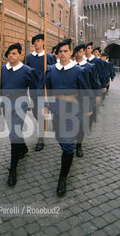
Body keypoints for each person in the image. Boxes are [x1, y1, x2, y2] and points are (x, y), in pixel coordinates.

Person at [38, 38, 94, 196]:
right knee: (60, 139)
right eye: (60, 51)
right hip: (56, 111)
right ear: (57, 54)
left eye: (65, 51)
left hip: (72, 112)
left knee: (68, 145)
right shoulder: (50, 70)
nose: (63, 54)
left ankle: (62, 178)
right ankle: (68, 153)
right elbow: (43, 89)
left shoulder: (79, 71)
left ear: (71, 53)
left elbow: (86, 90)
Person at [0, 43, 38, 187]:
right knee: (14, 131)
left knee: (14, 134)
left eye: (14, 53)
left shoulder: (27, 71)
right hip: (5, 104)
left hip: (20, 105)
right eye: (9, 54)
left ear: (20, 55)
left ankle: (13, 169)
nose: (11, 56)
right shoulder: (1, 70)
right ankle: (22, 148)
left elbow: (35, 88)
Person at [23, 33, 56, 151]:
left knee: (42, 114)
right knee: (37, 114)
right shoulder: (28, 58)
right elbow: (24, 75)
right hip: (33, 91)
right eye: (34, 41)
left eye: (39, 40)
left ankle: (40, 139)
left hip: (45, 91)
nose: (36, 43)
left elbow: (55, 73)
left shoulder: (50, 57)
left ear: (43, 42)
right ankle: (44, 124)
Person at [73, 43, 100, 157]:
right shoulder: (71, 67)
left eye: (81, 51)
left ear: (84, 52)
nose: (79, 53)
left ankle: (78, 144)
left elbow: (95, 84)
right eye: (77, 51)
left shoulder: (90, 67)